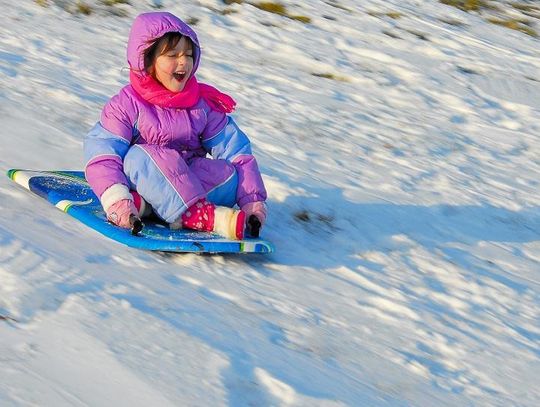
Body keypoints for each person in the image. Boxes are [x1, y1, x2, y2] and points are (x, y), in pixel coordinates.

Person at [84, 11, 267, 240]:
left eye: (189, 54)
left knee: (231, 174)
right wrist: (118, 201)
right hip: (142, 176)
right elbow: (103, 154)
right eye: (172, 55)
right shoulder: (126, 105)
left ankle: (152, 207)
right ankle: (197, 214)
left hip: (184, 177)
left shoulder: (201, 104)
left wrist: (252, 202)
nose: (184, 62)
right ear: (147, 60)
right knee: (138, 157)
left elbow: (235, 150)